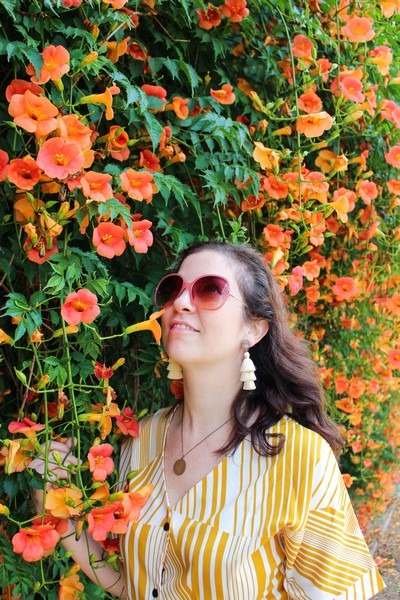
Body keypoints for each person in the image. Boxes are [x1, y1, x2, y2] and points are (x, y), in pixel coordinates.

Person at [32, 240, 385, 599]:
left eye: (210, 290)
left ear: (254, 329)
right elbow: (135, 587)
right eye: (174, 288)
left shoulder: (300, 458)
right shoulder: (141, 440)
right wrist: (60, 515)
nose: (181, 303)